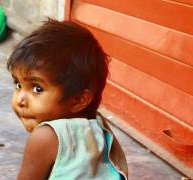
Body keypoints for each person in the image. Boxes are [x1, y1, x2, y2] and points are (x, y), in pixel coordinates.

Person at [7, 19, 128, 180]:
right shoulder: (99, 127)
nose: (20, 99)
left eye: (37, 88)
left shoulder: (46, 137)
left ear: (78, 100)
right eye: (18, 84)